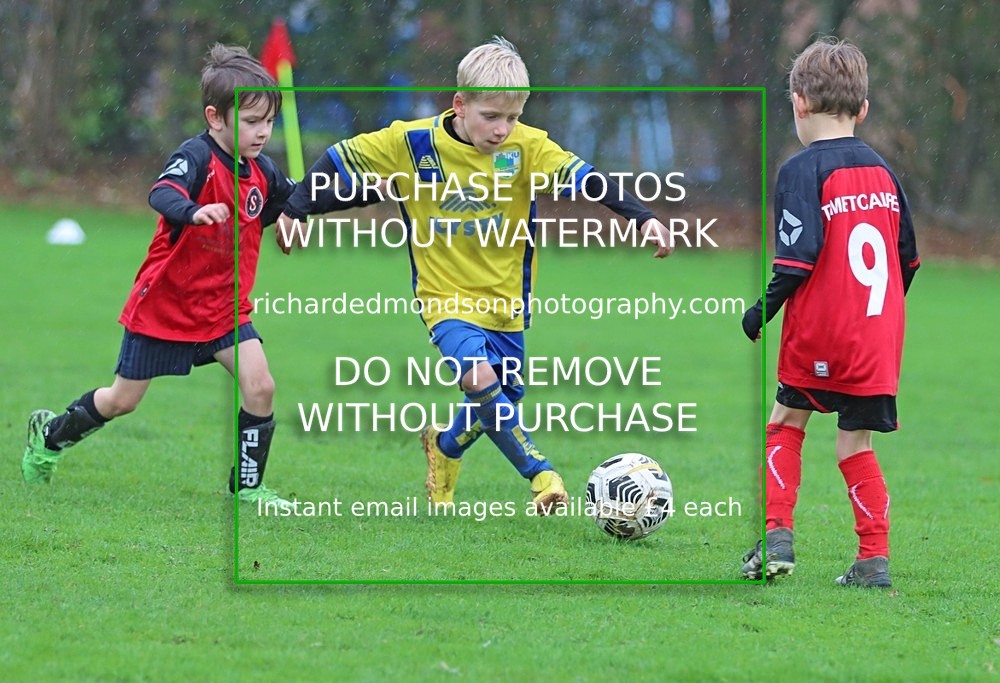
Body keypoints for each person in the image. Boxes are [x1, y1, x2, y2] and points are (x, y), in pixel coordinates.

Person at [276, 36, 673, 514]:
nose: (503, 129)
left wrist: (642, 216)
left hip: (507, 302)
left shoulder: (529, 147)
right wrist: (296, 208)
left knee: (497, 402)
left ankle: (445, 448)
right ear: (459, 104)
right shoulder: (413, 141)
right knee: (480, 379)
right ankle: (541, 475)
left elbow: (589, 178)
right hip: (443, 297)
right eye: (491, 116)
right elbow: (339, 157)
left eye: (512, 117)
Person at [22, 44, 325, 507]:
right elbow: (162, 193)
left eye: (269, 122)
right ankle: (50, 437)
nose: (263, 132)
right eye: (252, 122)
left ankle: (248, 488)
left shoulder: (263, 170)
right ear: (215, 117)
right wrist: (194, 211)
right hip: (165, 304)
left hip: (223, 308)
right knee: (122, 400)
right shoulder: (196, 156)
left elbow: (289, 202)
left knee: (261, 385)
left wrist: (294, 221)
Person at [739, 37, 919, 587]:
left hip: (821, 333)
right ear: (863, 109)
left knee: (786, 422)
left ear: (797, 102)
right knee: (854, 442)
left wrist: (759, 313)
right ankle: (873, 560)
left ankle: (776, 538)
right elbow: (907, 258)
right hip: (876, 339)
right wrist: (874, 320)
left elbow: (796, 260)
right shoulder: (884, 173)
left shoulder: (800, 170)